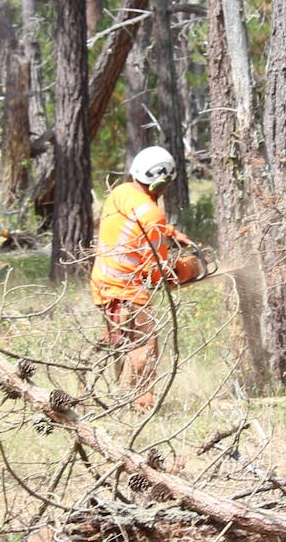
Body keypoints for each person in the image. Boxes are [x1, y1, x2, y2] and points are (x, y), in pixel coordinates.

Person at [90, 145, 194, 411]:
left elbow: (137, 216)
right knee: (144, 346)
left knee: (123, 345)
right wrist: (186, 269)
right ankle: (138, 406)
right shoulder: (153, 215)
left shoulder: (121, 192)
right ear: (161, 181)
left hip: (103, 283)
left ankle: (121, 401)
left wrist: (169, 231)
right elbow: (155, 271)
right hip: (127, 290)